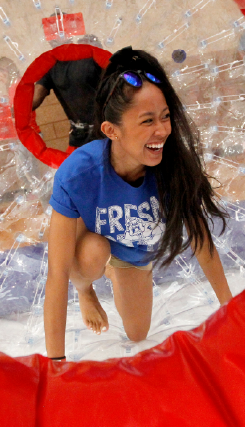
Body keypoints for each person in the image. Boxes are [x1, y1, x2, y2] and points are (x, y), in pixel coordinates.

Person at [44, 47, 233, 361]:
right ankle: (87, 290)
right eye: (147, 121)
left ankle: (117, 273)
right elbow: (57, 272)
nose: (162, 130)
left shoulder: (173, 165)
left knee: (137, 333)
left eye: (165, 117)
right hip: (93, 244)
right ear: (111, 130)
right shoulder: (78, 173)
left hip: (135, 254)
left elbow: (202, 243)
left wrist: (231, 308)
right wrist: (55, 363)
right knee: (92, 253)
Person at [32, 35, 105, 148]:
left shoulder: (88, 53)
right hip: (79, 135)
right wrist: (11, 110)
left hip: (105, 131)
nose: (51, 39)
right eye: (49, 35)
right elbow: (35, 98)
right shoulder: (51, 65)